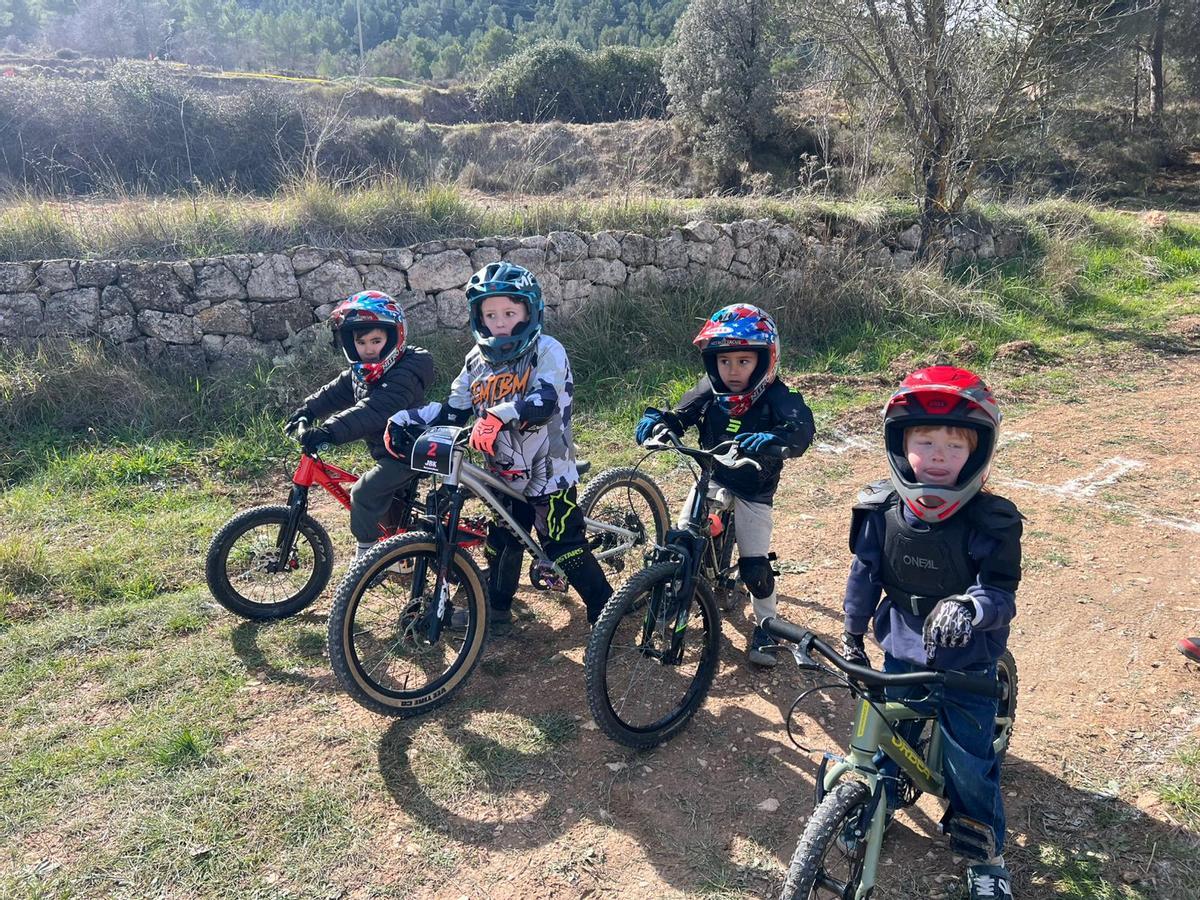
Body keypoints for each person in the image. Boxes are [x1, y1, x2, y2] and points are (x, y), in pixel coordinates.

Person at [840, 365, 1023, 900]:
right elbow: (864, 576)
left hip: (968, 663)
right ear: (901, 444)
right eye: (925, 440)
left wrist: (971, 607)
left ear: (978, 451)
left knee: (968, 764)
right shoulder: (880, 511)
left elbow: (1001, 592)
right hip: (900, 645)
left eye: (955, 443)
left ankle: (986, 854)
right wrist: (852, 632)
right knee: (883, 738)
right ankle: (873, 797)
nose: (938, 454)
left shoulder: (991, 521)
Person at [385, 262, 612, 635]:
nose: (500, 322)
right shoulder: (476, 361)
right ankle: (497, 611)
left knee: (562, 545)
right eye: (490, 314)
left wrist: (499, 413)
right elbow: (454, 410)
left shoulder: (547, 350)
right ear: (479, 317)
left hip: (547, 473)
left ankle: (605, 610)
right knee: (502, 542)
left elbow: (544, 401)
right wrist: (409, 418)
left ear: (529, 311)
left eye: (510, 312)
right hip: (502, 475)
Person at [635, 303, 815, 667]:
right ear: (712, 363)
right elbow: (678, 415)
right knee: (680, 540)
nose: (732, 371)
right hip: (712, 474)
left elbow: (801, 430)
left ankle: (767, 622)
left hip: (754, 489)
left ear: (765, 361)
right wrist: (657, 423)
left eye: (744, 361)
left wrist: (772, 438)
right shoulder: (708, 389)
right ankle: (675, 595)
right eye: (724, 361)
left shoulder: (779, 395)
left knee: (754, 568)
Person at [284, 291, 433, 558]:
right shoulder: (361, 372)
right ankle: (400, 554)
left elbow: (373, 410)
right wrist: (307, 410)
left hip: (409, 453)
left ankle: (366, 561)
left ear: (394, 338)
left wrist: (329, 431)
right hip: (388, 450)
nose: (368, 348)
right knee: (391, 511)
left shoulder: (406, 373)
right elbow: (333, 393)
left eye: (376, 340)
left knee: (364, 493)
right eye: (360, 342)